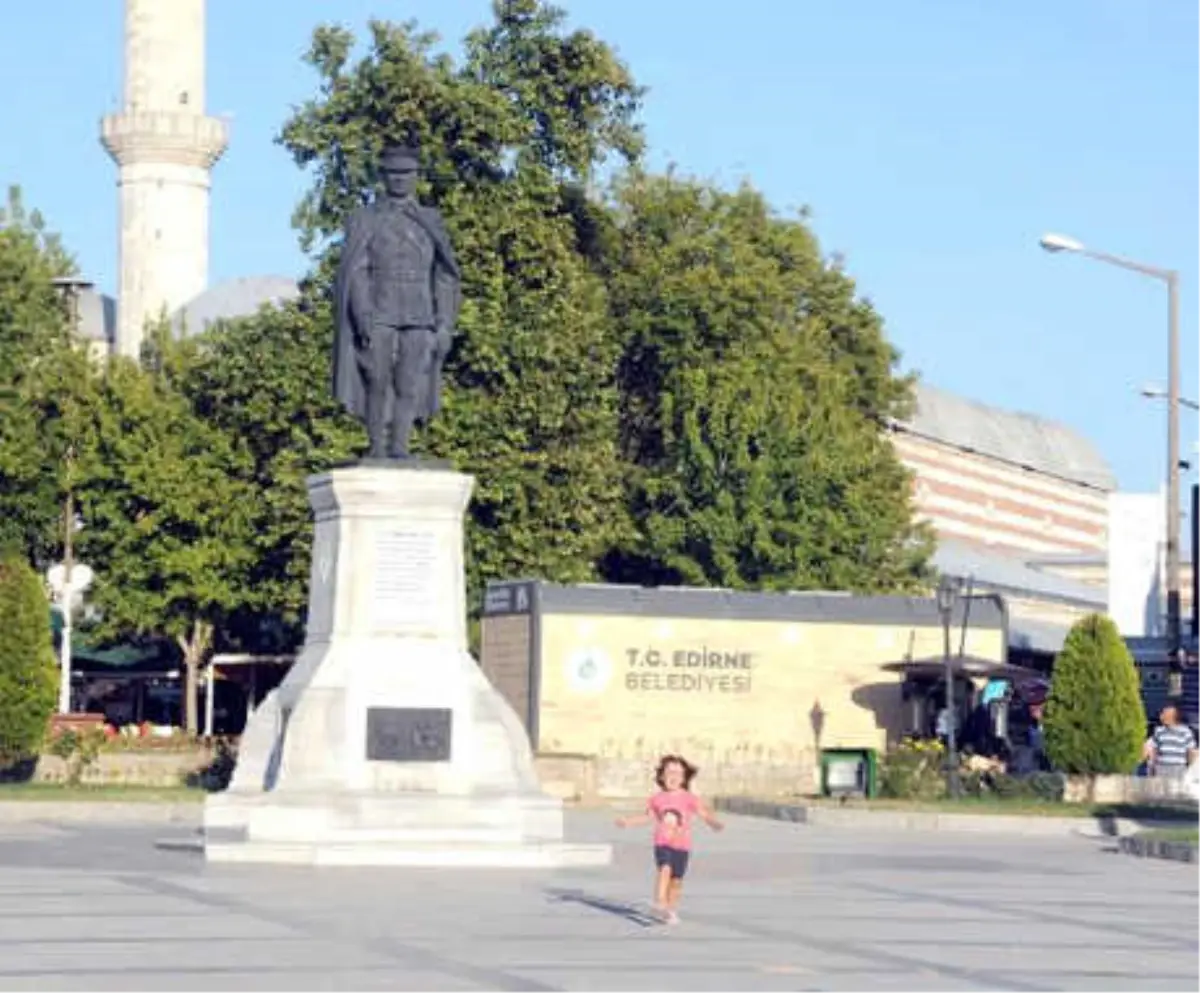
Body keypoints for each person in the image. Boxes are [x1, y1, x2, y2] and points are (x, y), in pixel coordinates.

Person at [615, 754, 724, 924]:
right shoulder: (656, 799)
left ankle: (670, 910)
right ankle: (659, 902)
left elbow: (702, 813)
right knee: (664, 868)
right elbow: (648, 817)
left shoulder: (688, 798)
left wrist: (713, 822)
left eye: (678, 774)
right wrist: (628, 822)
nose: (673, 777)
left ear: (684, 778)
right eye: (669, 773)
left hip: (682, 845)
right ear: (661, 776)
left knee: (676, 881)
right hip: (662, 843)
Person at [1143, 702, 1198, 781]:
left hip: (1178, 768)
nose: (1161, 716)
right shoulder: (1159, 731)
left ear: (1173, 716)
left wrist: (1189, 767)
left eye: (1164, 714)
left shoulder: (1185, 731)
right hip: (1161, 767)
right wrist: (1152, 766)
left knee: (1176, 791)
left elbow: (1191, 751)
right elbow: (1154, 750)